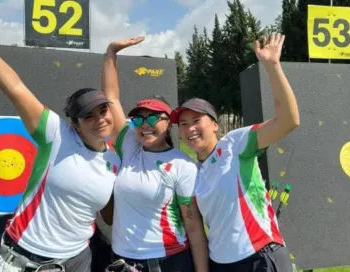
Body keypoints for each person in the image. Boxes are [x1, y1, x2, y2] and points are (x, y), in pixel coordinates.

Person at [0, 5, 119, 272]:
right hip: (24, 259)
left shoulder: (116, 158)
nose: (100, 118)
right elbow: (14, 87)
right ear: (75, 124)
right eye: (88, 115)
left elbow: (109, 215)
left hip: (77, 261)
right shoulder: (56, 134)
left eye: (103, 110)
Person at [170, 33, 299, 272]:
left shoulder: (235, 143)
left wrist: (272, 66)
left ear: (215, 125)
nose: (190, 129)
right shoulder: (193, 170)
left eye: (197, 120)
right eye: (184, 124)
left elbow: (288, 121)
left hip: (259, 257)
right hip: (220, 263)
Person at [101, 38, 209, 272]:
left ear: (168, 123)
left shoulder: (182, 165)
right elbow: (111, 98)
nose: (144, 125)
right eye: (138, 118)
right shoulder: (130, 144)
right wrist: (111, 53)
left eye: (152, 118)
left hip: (167, 263)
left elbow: (193, 228)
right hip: (121, 261)